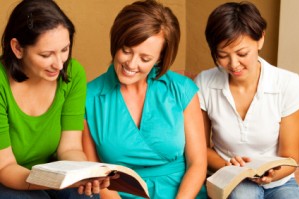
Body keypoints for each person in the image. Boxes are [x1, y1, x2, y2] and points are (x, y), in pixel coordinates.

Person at [83, 0, 208, 198]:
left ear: (159, 58)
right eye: (126, 50)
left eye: (145, 58)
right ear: (116, 42)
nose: (131, 64)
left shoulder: (181, 89)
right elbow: (95, 177)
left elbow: (198, 163)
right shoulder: (88, 97)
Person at [0, 0, 110, 198]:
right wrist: (51, 182)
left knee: (85, 195)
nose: (59, 64)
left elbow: (70, 148)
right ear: (17, 48)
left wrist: (85, 173)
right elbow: (5, 167)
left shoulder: (73, 73)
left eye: (64, 50)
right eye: (46, 55)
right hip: (7, 175)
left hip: (50, 174)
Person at [194, 1, 299, 199]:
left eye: (242, 54)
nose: (233, 65)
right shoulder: (205, 83)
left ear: (260, 39)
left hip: (279, 180)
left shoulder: (288, 83)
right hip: (229, 177)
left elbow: (291, 157)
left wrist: (272, 174)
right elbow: (200, 148)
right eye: (222, 55)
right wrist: (229, 166)